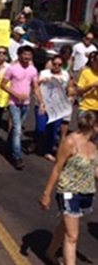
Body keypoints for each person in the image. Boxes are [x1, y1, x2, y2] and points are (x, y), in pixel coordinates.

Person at [40, 111, 98, 265]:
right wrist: (46, 194)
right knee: (72, 236)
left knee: (64, 227)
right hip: (68, 192)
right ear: (95, 126)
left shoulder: (93, 144)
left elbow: (95, 169)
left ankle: (50, 252)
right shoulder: (70, 142)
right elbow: (57, 168)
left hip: (86, 192)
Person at [0, 45, 44, 170]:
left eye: (29, 55)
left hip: (26, 104)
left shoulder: (33, 70)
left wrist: (41, 102)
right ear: (19, 55)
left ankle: (9, 147)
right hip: (14, 103)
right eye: (25, 55)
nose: (27, 57)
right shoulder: (12, 69)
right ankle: (17, 157)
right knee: (18, 129)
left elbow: (35, 87)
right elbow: (2, 85)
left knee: (15, 129)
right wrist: (16, 95)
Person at [35, 55, 69, 161]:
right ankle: (36, 142)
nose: (56, 66)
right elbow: (35, 86)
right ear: (51, 63)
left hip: (57, 106)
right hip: (42, 104)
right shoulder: (45, 73)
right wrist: (42, 81)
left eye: (59, 65)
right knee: (41, 127)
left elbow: (68, 88)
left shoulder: (65, 75)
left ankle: (48, 150)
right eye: (54, 64)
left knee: (53, 129)